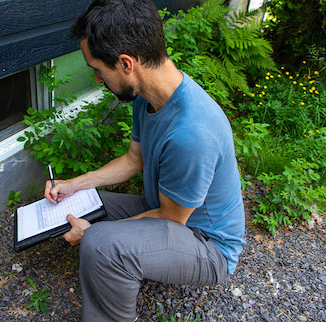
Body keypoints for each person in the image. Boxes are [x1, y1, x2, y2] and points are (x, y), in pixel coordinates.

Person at [44, 0, 246, 320]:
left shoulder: (191, 134)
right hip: (171, 214)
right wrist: (73, 184)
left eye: (97, 69)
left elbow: (171, 219)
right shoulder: (149, 97)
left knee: (100, 244)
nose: (97, 79)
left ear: (126, 64)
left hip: (207, 247)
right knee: (83, 200)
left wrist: (93, 236)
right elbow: (132, 161)